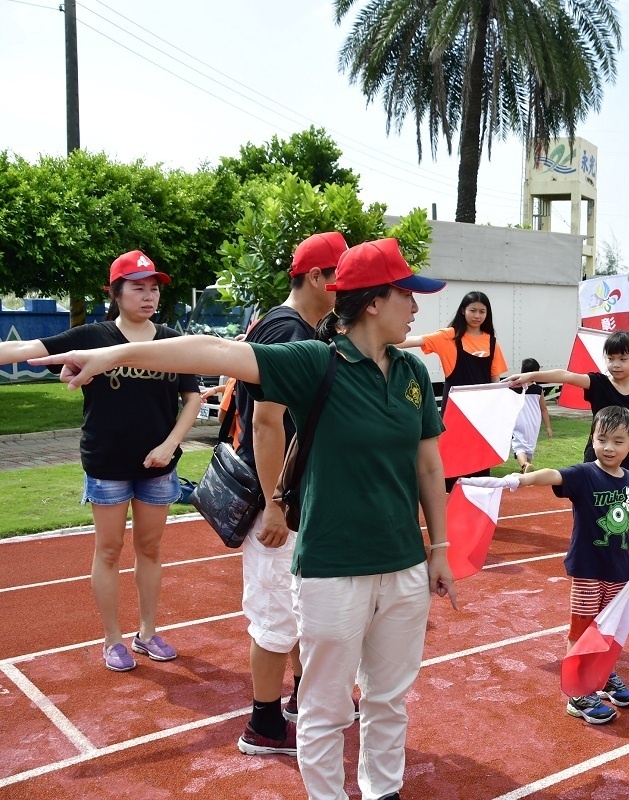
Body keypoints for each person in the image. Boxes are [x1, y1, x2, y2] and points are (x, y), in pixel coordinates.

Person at [33, 238, 459, 800]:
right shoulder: (315, 361)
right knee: (327, 705)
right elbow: (214, 351)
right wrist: (113, 354)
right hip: (333, 567)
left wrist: (440, 548)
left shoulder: (408, 371)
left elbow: (429, 466)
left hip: (403, 566)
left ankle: (384, 792)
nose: (417, 307)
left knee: (387, 700)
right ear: (374, 302)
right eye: (408, 294)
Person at [0, 251, 201, 671]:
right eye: (138, 288)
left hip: (158, 466)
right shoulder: (92, 335)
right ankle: (112, 639)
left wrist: (169, 445)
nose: (149, 297)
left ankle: (147, 633)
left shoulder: (171, 340)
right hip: (107, 463)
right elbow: (24, 348)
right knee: (108, 550)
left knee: (150, 548)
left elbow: (192, 397)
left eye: (154, 289)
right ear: (116, 292)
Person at [231, 231, 345, 757]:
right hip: (272, 498)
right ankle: (264, 724)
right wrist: (276, 502)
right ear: (319, 278)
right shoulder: (287, 329)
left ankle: (300, 698)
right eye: (341, 278)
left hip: (285, 494)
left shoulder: (292, 325)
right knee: (276, 611)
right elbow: (265, 423)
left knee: (294, 603)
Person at [464, 406, 629, 724]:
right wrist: (519, 480)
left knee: (607, 629)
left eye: (618, 441)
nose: (608, 447)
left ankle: (601, 676)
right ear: (592, 439)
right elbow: (553, 475)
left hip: (619, 571)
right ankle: (578, 695)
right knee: (582, 630)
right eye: (602, 439)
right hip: (588, 570)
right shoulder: (584, 474)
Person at [507, 330, 629, 494]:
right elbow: (566, 375)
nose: (616, 364)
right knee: (591, 509)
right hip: (596, 461)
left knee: (623, 515)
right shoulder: (598, 383)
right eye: (610, 358)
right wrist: (529, 376)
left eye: (623, 359)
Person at [399, 290, 508, 410]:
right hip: (455, 409)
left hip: (482, 409)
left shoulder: (492, 343)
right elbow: (414, 341)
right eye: (472, 310)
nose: (477, 316)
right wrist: (379, 342)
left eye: (482, 311)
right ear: (463, 310)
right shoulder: (448, 336)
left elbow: (495, 379)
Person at [509, 357, 554, 473]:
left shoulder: (514, 388)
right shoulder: (538, 389)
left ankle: (525, 465)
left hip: (519, 421)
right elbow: (543, 409)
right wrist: (548, 427)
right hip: (534, 422)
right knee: (529, 447)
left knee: (519, 447)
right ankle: (526, 467)